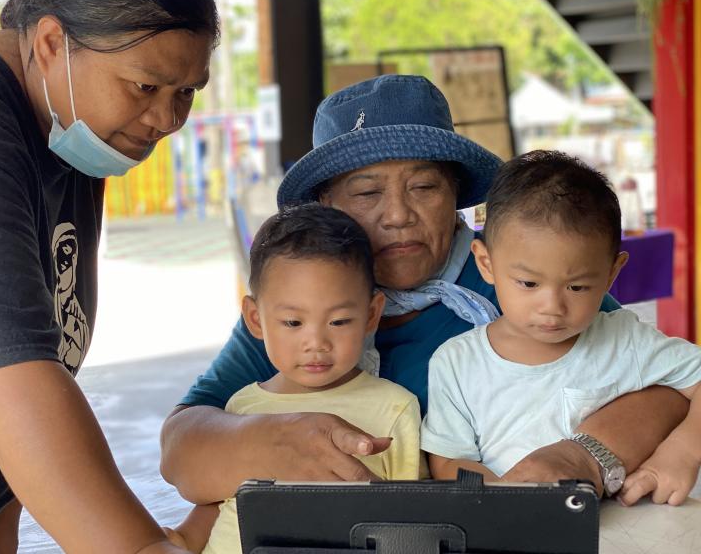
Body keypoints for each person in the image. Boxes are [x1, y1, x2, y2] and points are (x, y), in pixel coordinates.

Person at [160, 75, 689, 506]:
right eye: (367, 192)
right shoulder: (299, 305)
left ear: (456, 191)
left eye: (424, 187)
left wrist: (583, 455)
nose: (397, 215)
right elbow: (182, 445)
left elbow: (665, 388)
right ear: (326, 202)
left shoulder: (523, 276)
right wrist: (270, 441)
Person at [0, 0, 217, 552]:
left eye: (187, 93)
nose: (166, 119)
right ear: (51, 42)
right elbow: (10, 383)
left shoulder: (71, 132)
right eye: (146, 86)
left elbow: (38, 377)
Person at [423, 151, 701, 506]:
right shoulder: (456, 362)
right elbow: (449, 460)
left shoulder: (625, 339)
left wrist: (683, 450)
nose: (552, 307)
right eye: (528, 283)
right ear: (486, 264)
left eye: (577, 287)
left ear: (612, 274)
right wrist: (509, 503)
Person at [167, 203, 424, 553]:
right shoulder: (241, 409)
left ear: (371, 314)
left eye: (339, 322)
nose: (316, 343)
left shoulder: (394, 408)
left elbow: (411, 520)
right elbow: (216, 504)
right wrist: (181, 540)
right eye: (293, 323)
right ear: (256, 320)